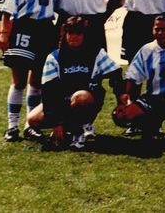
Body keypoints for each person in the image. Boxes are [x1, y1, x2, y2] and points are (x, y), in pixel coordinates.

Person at [29, 16, 123, 149]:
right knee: (33, 119)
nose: (74, 37)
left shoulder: (96, 53)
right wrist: (56, 122)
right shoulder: (54, 57)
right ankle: (68, 127)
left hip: (87, 99)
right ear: (64, 34)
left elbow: (116, 73)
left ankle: (80, 132)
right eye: (70, 33)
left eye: (78, 33)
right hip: (63, 101)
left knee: (80, 97)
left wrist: (120, 97)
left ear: (85, 35)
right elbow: (49, 91)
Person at [0, 0, 61, 142]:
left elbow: (59, 7)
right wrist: (4, 33)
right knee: (18, 81)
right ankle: (12, 126)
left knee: (37, 82)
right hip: (24, 28)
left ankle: (29, 125)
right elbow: (8, 9)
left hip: (46, 30)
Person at [114, 15, 165, 140]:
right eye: (156, 29)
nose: (160, 33)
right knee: (120, 116)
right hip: (153, 98)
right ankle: (150, 124)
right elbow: (132, 75)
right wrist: (125, 96)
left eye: (164, 29)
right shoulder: (146, 50)